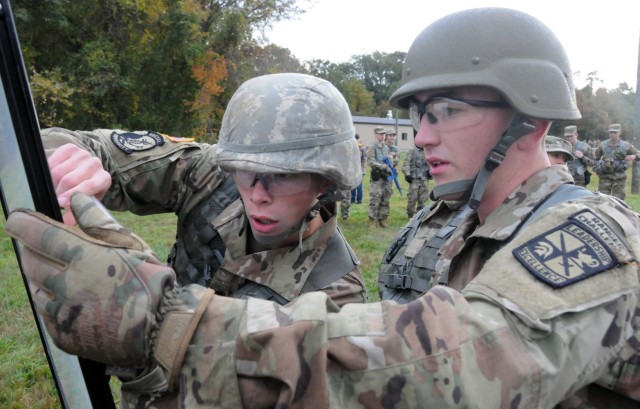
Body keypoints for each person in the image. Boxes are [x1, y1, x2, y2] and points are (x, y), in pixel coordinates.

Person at [8, 8, 640, 408]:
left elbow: (454, 366)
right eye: (420, 114)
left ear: (530, 118)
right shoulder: (440, 227)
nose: (421, 135)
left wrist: (168, 324)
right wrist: (68, 164)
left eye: (446, 111)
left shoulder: (594, 238)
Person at [36, 72, 369, 407]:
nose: (257, 194)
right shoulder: (213, 174)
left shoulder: (338, 296)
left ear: (326, 180)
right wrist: (75, 167)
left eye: (284, 175)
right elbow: (63, 142)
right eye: (246, 169)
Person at [593, 123, 638, 200]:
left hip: (619, 179)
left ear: (620, 133)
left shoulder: (626, 145)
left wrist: (634, 156)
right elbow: (595, 159)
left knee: (618, 202)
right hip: (605, 179)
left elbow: (637, 153)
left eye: (615, 132)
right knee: (603, 201)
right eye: (610, 132)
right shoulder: (602, 145)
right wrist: (599, 168)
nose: (612, 134)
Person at [366, 126, 392, 227]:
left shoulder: (385, 148)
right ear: (376, 134)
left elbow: (388, 160)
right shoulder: (372, 146)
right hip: (377, 177)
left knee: (386, 198)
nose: (382, 136)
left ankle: (383, 219)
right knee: (375, 198)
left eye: (384, 134)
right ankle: (372, 219)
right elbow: (371, 161)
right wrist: (383, 166)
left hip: (386, 177)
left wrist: (390, 168)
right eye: (380, 134)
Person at [402, 145, 430, 218]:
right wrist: (407, 174)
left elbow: (432, 161)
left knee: (423, 199)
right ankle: (410, 216)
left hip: (424, 178)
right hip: (414, 179)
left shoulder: (428, 149)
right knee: (412, 199)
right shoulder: (412, 150)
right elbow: (406, 163)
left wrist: (431, 171)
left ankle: (420, 217)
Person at [350, 133, 365, 204]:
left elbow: (364, 160)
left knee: (359, 187)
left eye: (356, 139)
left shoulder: (362, 148)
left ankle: (359, 200)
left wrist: (362, 170)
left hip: (359, 170)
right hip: (352, 170)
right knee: (352, 186)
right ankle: (352, 200)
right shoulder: (350, 148)